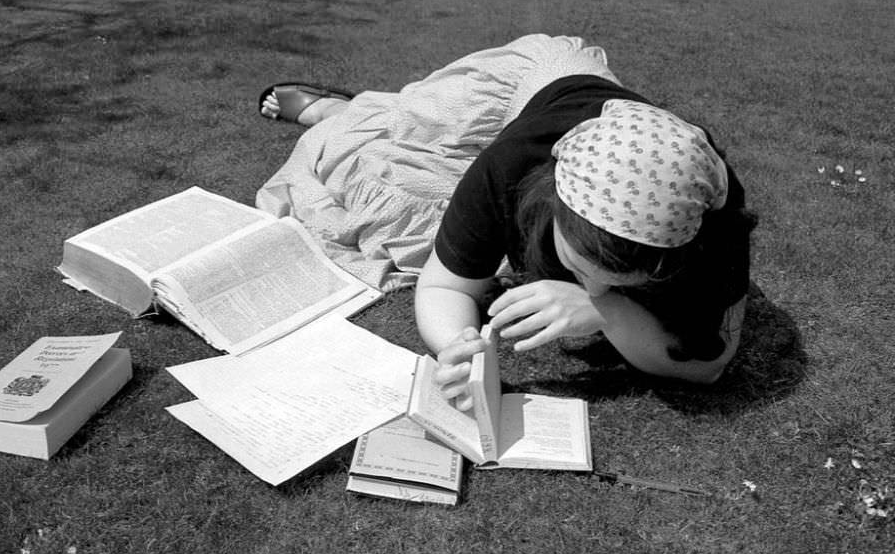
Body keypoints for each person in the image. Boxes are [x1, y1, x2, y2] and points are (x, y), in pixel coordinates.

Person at [260, 35, 756, 410]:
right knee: (383, 150)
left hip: (564, 129)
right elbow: (444, 286)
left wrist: (605, 312)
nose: (598, 289)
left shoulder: (711, 210)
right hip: (523, 84)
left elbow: (710, 365)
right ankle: (336, 110)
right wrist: (460, 346)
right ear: (552, 205)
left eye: (618, 283)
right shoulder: (511, 167)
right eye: (582, 270)